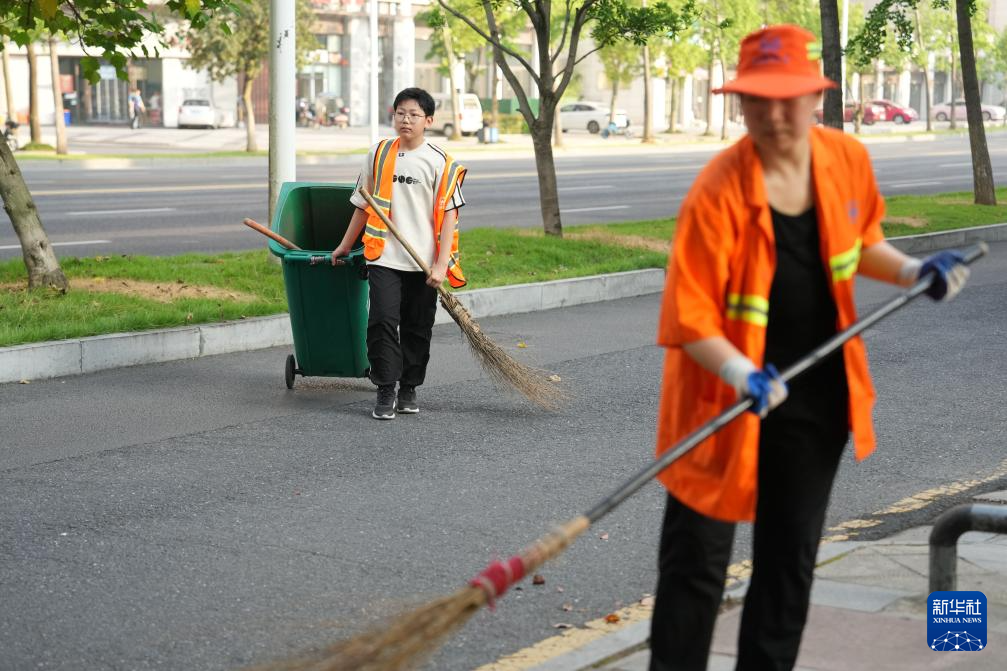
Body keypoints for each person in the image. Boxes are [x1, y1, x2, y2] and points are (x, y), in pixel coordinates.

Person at [649, 25, 970, 671]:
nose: (772, 114)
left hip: (815, 400)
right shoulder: (716, 189)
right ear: (739, 104)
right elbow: (690, 314)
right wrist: (742, 373)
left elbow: (861, 242)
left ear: (813, 98)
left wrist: (911, 272)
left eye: (786, 98)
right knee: (695, 567)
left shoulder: (844, 159)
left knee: (787, 562)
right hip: (720, 401)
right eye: (756, 100)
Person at [331, 87, 466, 420]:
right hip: (384, 255)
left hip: (423, 261)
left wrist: (439, 263)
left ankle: (409, 387)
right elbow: (364, 203)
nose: (406, 120)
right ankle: (385, 387)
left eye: (414, 114)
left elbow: (450, 214)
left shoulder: (441, 162)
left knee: (418, 326)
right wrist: (346, 245)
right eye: (400, 113)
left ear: (429, 120)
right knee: (382, 322)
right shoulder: (379, 153)